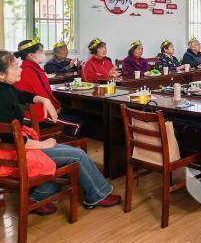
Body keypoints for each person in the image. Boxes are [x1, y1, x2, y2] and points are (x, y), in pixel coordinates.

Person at [0, 51, 121, 214]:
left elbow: (21, 95)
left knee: (71, 153)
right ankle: (98, 195)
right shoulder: (2, 98)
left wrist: (42, 99)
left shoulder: (5, 88)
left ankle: (36, 198)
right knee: (78, 155)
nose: (20, 69)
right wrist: (44, 144)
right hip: (16, 153)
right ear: (1, 74)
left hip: (19, 147)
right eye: (15, 67)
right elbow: (10, 138)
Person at [13, 39, 81, 136]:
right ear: (31, 55)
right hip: (40, 117)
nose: (43, 53)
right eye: (41, 51)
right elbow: (44, 94)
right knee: (78, 122)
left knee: (73, 113)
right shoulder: (31, 70)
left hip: (28, 116)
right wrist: (57, 107)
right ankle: (61, 142)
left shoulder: (26, 68)